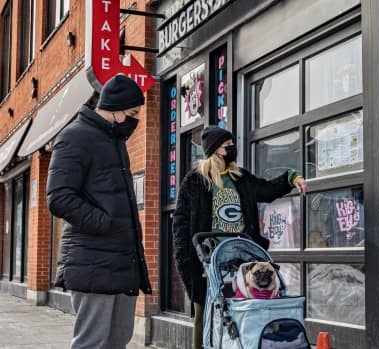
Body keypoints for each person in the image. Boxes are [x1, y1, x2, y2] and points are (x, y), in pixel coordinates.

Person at [172, 126, 307, 349]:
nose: (232, 149)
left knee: (243, 314)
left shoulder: (240, 177)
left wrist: (292, 178)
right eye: (228, 146)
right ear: (215, 150)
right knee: (204, 315)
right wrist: (185, 261)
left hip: (243, 260)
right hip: (208, 261)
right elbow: (180, 224)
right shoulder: (195, 181)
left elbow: (267, 189)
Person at [46, 75, 152, 349]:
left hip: (120, 263)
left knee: (118, 341)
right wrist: (105, 223)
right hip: (93, 263)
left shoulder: (115, 142)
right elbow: (59, 197)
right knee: (93, 344)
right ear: (116, 108)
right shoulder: (74, 137)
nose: (135, 120)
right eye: (132, 113)